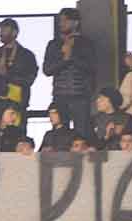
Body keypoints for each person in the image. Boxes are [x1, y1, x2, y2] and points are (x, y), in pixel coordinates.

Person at [43, 8, 95, 136]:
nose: (61, 23)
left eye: (65, 20)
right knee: (60, 133)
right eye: (60, 20)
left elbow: (91, 67)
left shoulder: (85, 43)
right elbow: (47, 70)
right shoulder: (54, 44)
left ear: (75, 22)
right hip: (59, 95)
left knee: (82, 134)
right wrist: (64, 59)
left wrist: (72, 56)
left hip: (81, 96)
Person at [0, 18, 39, 124]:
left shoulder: (26, 55)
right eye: (0, 29)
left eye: (4, 29)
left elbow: (29, 80)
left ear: (15, 32)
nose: (0, 32)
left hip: (17, 105)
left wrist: (6, 74)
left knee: (16, 133)